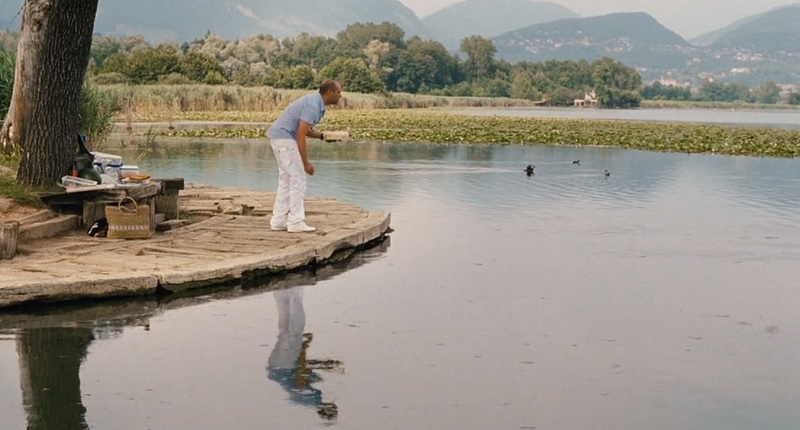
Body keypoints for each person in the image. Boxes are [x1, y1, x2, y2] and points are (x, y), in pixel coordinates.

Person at [267, 79, 343, 233]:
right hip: (285, 139)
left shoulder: (316, 103)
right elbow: (300, 134)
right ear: (330, 93)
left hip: (279, 137)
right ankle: (295, 221)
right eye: (338, 92)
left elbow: (307, 130)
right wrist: (306, 162)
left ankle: (278, 221)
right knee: (298, 180)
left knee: (286, 180)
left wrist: (323, 136)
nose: (340, 95)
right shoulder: (313, 105)